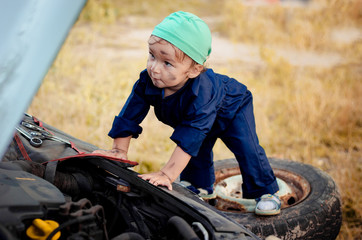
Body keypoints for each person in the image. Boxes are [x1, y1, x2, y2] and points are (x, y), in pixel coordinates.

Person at [94, 11, 281, 215]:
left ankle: (266, 191)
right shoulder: (149, 81)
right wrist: (119, 150)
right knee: (199, 148)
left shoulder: (202, 94)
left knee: (247, 148)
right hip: (197, 120)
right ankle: (200, 187)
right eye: (152, 56)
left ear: (193, 70)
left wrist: (167, 174)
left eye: (167, 63)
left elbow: (190, 136)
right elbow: (130, 114)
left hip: (232, 108)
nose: (154, 69)